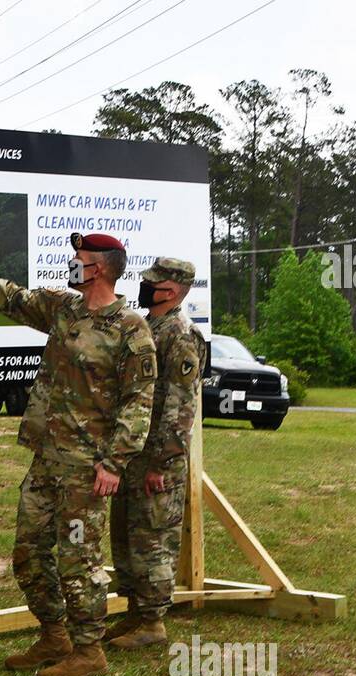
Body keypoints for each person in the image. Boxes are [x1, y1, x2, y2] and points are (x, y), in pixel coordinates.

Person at [0, 233, 156, 676]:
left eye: (78, 259)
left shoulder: (130, 329)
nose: (72, 264)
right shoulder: (64, 309)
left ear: (98, 269)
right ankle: (54, 635)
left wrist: (114, 462)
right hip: (47, 459)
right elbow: (11, 297)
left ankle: (88, 650)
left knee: (78, 559)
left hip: (88, 468)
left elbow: (139, 403)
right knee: (29, 551)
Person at [106, 257, 207, 648]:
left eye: (153, 283)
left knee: (152, 538)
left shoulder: (181, 334)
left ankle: (152, 623)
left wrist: (162, 462)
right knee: (128, 534)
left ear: (171, 290)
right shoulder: (150, 327)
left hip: (156, 459)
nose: (145, 287)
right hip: (133, 453)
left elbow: (181, 406)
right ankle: (134, 614)